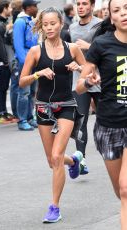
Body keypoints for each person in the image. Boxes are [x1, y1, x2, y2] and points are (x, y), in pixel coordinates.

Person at [19, 6, 86, 223]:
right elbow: (22, 81)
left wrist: (79, 68)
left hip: (67, 104)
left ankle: (54, 207)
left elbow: (88, 75)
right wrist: (38, 73)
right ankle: (74, 161)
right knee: (52, 160)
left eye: (52, 23)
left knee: (57, 157)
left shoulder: (73, 48)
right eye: (45, 24)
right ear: (42, 25)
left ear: (61, 24)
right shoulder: (35, 51)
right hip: (43, 107)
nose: (49, 27)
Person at [76, 0, 127, 229]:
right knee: (120, 192)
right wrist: (88, 81)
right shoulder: (101, 44)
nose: (123, 13)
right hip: (108, 125)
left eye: (126, 7)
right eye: (117, 10)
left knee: (126, 188)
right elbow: (79, 86)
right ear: (111, 17)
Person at [69, 0, 102, 175]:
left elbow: (107, 49)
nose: (81, 7)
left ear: (92, 6)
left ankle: (115, 156)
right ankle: (81, 161)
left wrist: (89, 46)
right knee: (80, 121)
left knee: (106, 120)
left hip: (99, 79)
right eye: (78, 4)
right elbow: (69, 53)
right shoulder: (72, 28)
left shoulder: (101, 25)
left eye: (84, 3)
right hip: (80, 80)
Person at [13, 0, 40, 131]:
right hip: (25, 62)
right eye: (35, 6)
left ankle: (30, 117)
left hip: (33, 60)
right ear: (28, 8)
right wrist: (26, 64)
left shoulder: (30, 21)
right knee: (24, 92)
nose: (37, 8)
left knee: (32, 92)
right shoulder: (20, 22)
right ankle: (22, 119)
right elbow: (18, 45)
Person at [0, 0, 14, 124]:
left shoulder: (2, 23)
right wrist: (5, 61)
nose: (11, 9)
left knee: (4, 87)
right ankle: (0, 114)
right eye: (10, 7)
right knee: (1, 87)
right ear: (4, 8)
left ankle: (4, 112)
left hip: (5, 61)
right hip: (2, 62)